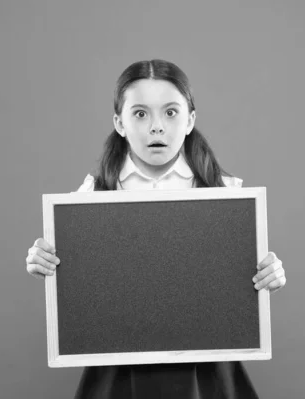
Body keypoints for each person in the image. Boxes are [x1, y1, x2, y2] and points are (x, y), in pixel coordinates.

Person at [26, 59, 287, 399]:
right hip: (119, 370)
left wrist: (269, 275)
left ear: (190, 119)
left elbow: (238, 284)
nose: (156, 127)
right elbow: (81, 286)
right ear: (119, 123)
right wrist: (45, 262)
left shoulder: (225, 191)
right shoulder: (92, 194)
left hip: (205, 369)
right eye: (140, 114)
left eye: (170, 112)